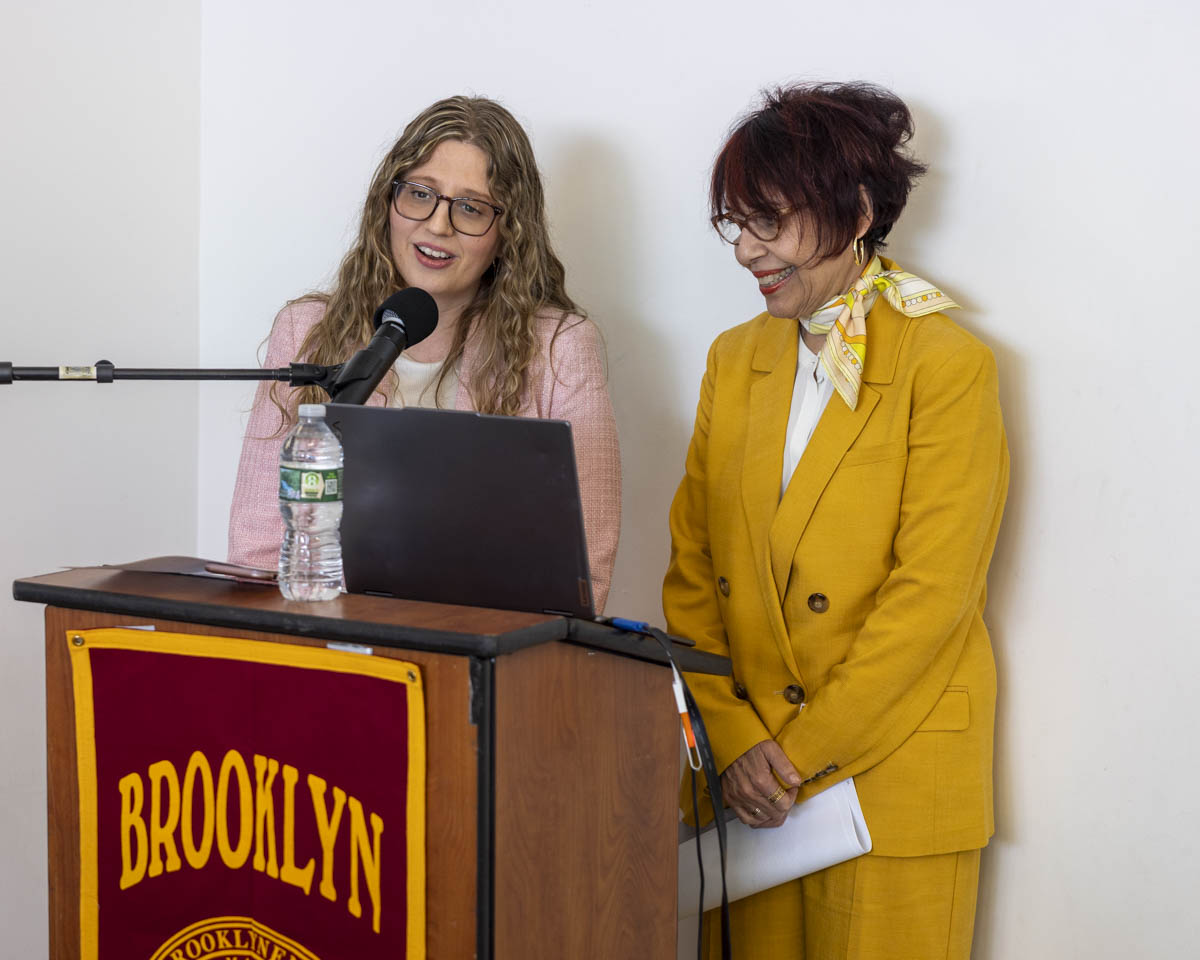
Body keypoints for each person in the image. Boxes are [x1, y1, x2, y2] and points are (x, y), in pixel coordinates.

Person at [664, 83, 1009, 958]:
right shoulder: (733, 358)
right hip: (749, 786)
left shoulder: (947, 364)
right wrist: (737, 740)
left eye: (769, 222)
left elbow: (931, 598)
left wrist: (793, 755)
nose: (747, 250)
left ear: (856, 213)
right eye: (736, 223)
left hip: (889, 779)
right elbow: (693, 570)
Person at [228, 96, 621, 610]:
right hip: (323, 637)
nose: (438, 225)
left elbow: (582, 578)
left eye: (471, 208)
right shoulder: (307, 331)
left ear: (509, 233)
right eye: (420, 194)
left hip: (485, 647)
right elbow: (256, 553)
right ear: (387, 202)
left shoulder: (560, 347)